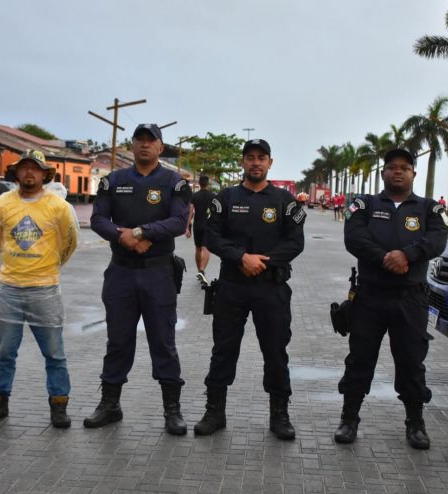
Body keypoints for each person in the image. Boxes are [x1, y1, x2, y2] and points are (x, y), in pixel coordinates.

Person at [335, 148, 448, 450]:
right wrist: (386, 258)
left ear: (414, 173)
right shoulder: (365, 204)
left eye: (405, 167)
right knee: (359, 359)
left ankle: (415, 424)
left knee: (412, 363)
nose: (398, 172)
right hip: (370, 297)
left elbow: (437, 240)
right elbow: (354, 237)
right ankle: (349, 419)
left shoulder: (430, 208)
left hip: (410, 300)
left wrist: (407, 256)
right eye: (392, 167)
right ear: (383, 172)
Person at [193, 139, 306, 440]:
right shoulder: (226, 198)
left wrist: (262, 263)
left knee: (276, 352)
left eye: (261, 158)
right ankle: (214, 411)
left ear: (270, 163)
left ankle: (279, 415)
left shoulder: (285, 201)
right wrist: (241, 257)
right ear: (243, 163)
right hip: (232, 286)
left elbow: (295, 242)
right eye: (250, 158)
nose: (256, 162)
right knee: (223, 350)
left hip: (272, 288)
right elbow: (211, 236)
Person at [87, 123, 192, 435]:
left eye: (151, 140)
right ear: (131, 146)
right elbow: (97, 219)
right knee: (118, 340)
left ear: (160, 147)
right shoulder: (113, 181)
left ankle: (172, 410)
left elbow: (178, 221)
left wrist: (140, 233)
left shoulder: (175, 182)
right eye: (139, 140)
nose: (145, 145)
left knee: (163, 341)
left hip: (158, 273)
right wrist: (125, 240)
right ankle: (110, 405)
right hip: (120, 272)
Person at [0, 149, 79, 428]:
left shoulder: (58, 207)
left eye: (35, 168)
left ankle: (59, 405)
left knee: (54, 354)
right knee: (4, 352)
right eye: (24, 168)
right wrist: (13, 264)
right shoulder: (2, 204)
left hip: (44, 290)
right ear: (17, 172)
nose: (29, 173)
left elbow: (69, 242)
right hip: (9, 289)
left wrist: (50, 267)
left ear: (45, 174)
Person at [186, 175, 215, 286]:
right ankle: (202, 270)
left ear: (199, 183)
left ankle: (199, 270)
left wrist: (188, 226)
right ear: (208, 183)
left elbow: (191, 211)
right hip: (208, 225)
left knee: (198, 248)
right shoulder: (213, 196)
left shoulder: (194, 196)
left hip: (197, 225)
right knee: (206, 248)